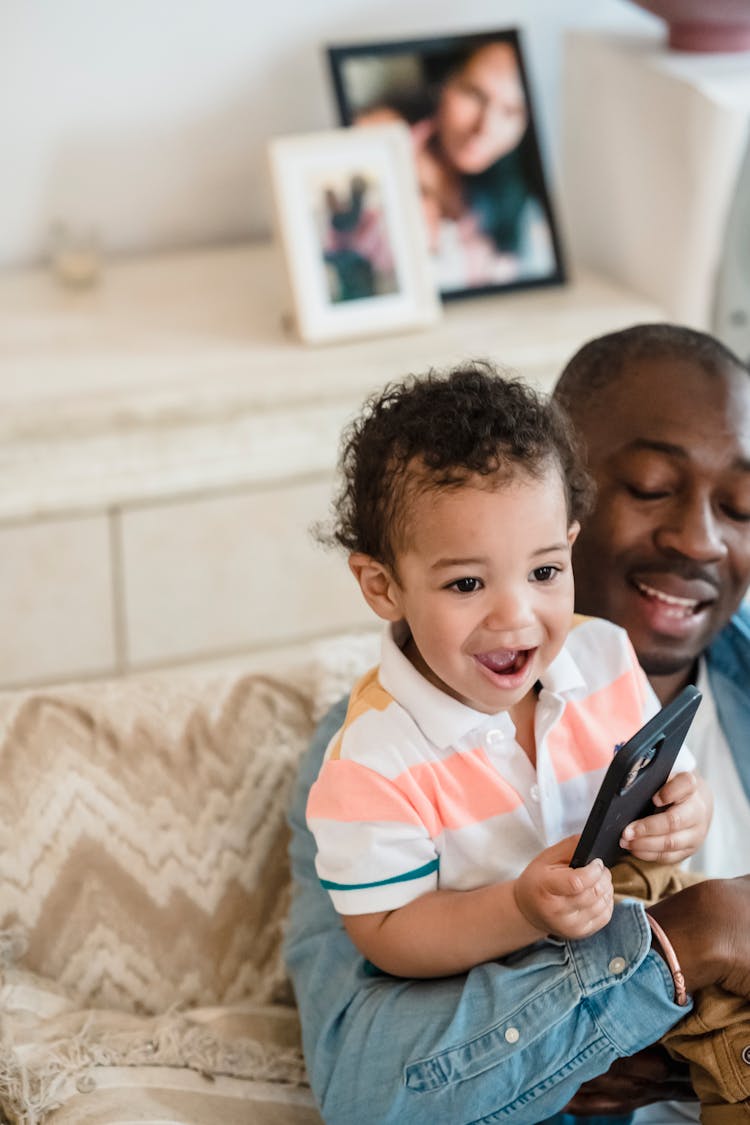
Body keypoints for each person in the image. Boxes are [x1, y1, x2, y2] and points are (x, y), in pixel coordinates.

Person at [284, 329, 750, 1124]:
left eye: (742, 504)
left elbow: (664, 798)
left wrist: (683, 813)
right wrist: (661, 962)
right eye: (648, 485)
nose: (701, 538)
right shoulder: (367, 764)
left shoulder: (607, 667)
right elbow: (370, 1087)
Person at [355, 39, 557, 292]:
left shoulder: (521, 199)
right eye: (475, 94)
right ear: (442, 84)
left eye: (511, 111)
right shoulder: (377, 142)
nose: (485, 128)